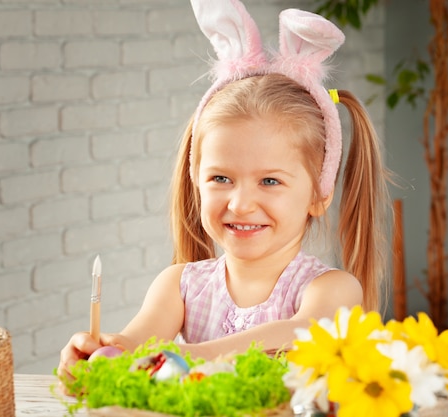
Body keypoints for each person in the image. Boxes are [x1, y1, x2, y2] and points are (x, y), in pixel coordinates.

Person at [58, 0, 391, 381]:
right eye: (220, 179)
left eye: (270, 181)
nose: (241, 203)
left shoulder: (332, 290)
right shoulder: (179, 287)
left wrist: (189, 355)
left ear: (319, 194)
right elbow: (135, 347)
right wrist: (101, 354)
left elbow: (304, 332)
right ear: (196, 180)